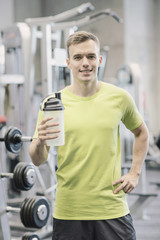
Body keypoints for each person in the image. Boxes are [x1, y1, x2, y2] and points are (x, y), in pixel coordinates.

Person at [29, 31, 149, 240]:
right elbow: (37, 159)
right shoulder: (52, 103)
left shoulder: (119, 98)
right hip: (69, 212)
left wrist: (134, 174)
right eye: (78, 57)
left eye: (91, 56)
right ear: (68, 62)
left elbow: (142, 133)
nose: (85, 63)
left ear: (99, 60)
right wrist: (40, 140)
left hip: (112, 209)